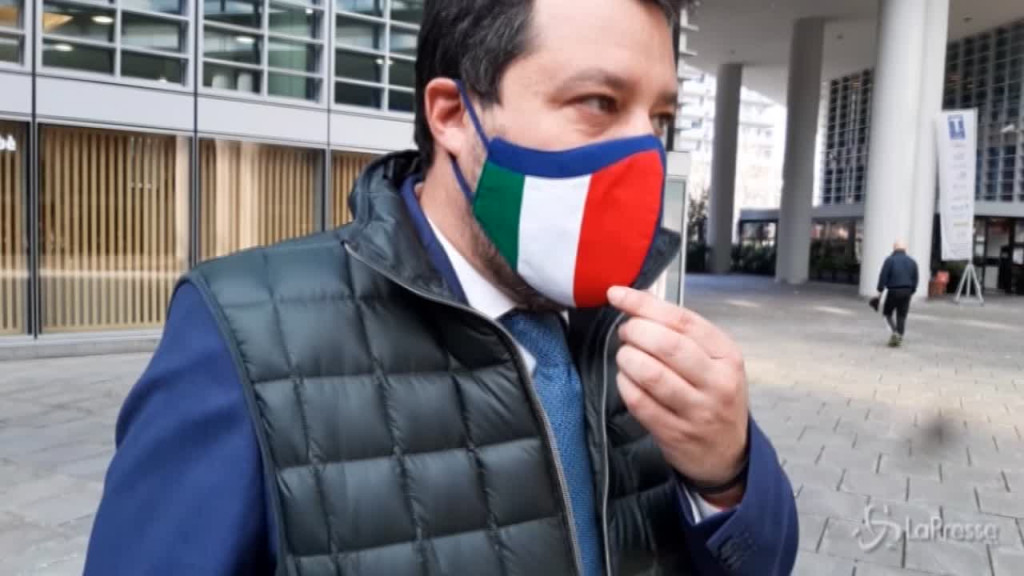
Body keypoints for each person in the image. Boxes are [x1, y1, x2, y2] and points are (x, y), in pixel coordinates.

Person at [84, 0, 798, 574]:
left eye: (660, 118)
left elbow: (761, 560)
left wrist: (726, 475)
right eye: (598, 102)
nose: (644, 152)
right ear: (453, 116)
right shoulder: (243, 333)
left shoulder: (639, 332)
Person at [877, 241, 919, 347]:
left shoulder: (889, 260)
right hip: (907, 291)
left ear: (894, 248)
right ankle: (899, 335)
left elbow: (883, 276)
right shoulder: (912, 262)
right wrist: (912, 291)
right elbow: (915, 278)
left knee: (887, 313)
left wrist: (880, 289)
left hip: (893, 290)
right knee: (902, 315)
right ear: (905, 249)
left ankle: (895, 332)